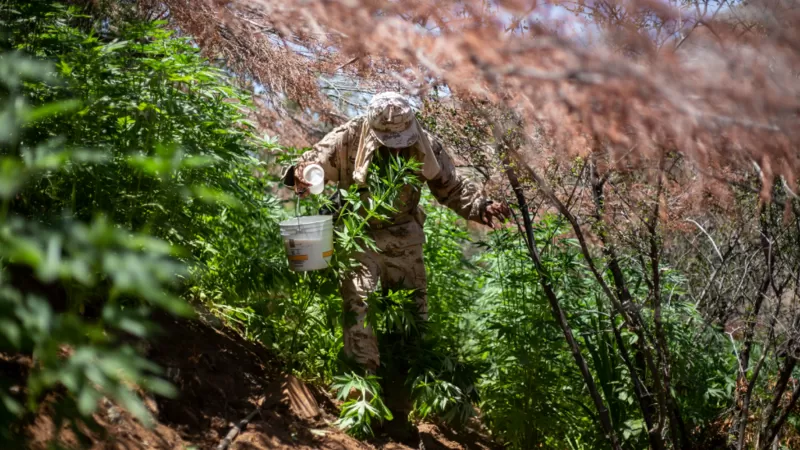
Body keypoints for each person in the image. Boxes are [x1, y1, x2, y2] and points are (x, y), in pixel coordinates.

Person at [285, 92, 510, 375]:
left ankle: (400, 395)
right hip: (357, 233)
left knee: (411, 316)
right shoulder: (349, 136)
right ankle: (361, 386)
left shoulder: (425, 143)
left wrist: (480, 206)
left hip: (404, 236)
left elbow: (450, 187)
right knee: (358, 303)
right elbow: (310, 164)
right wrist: (302, 174)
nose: (394, 148)